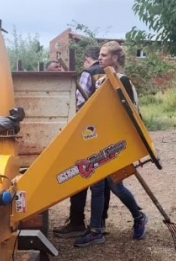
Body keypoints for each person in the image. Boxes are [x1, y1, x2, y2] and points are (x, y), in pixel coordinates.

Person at [74, 41, 147, 247]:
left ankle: (139, 216)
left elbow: (129, 112)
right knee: (98, 185)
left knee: (115, 185)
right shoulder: (102, 81)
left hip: (118, 140)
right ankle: (96, 229)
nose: (100, 58)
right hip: (102, 138)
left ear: (115, 59)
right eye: (99, 54)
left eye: (104, 55)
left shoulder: (121, 80)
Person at [53, 46, 111, 237]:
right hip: (107, 130)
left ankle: (77, 221)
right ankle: (100, 220)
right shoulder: (110, 72)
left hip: (88, 131)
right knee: (103, 174)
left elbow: (79, 103)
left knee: (80, 173)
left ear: (87, 59)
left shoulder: (88, 73)